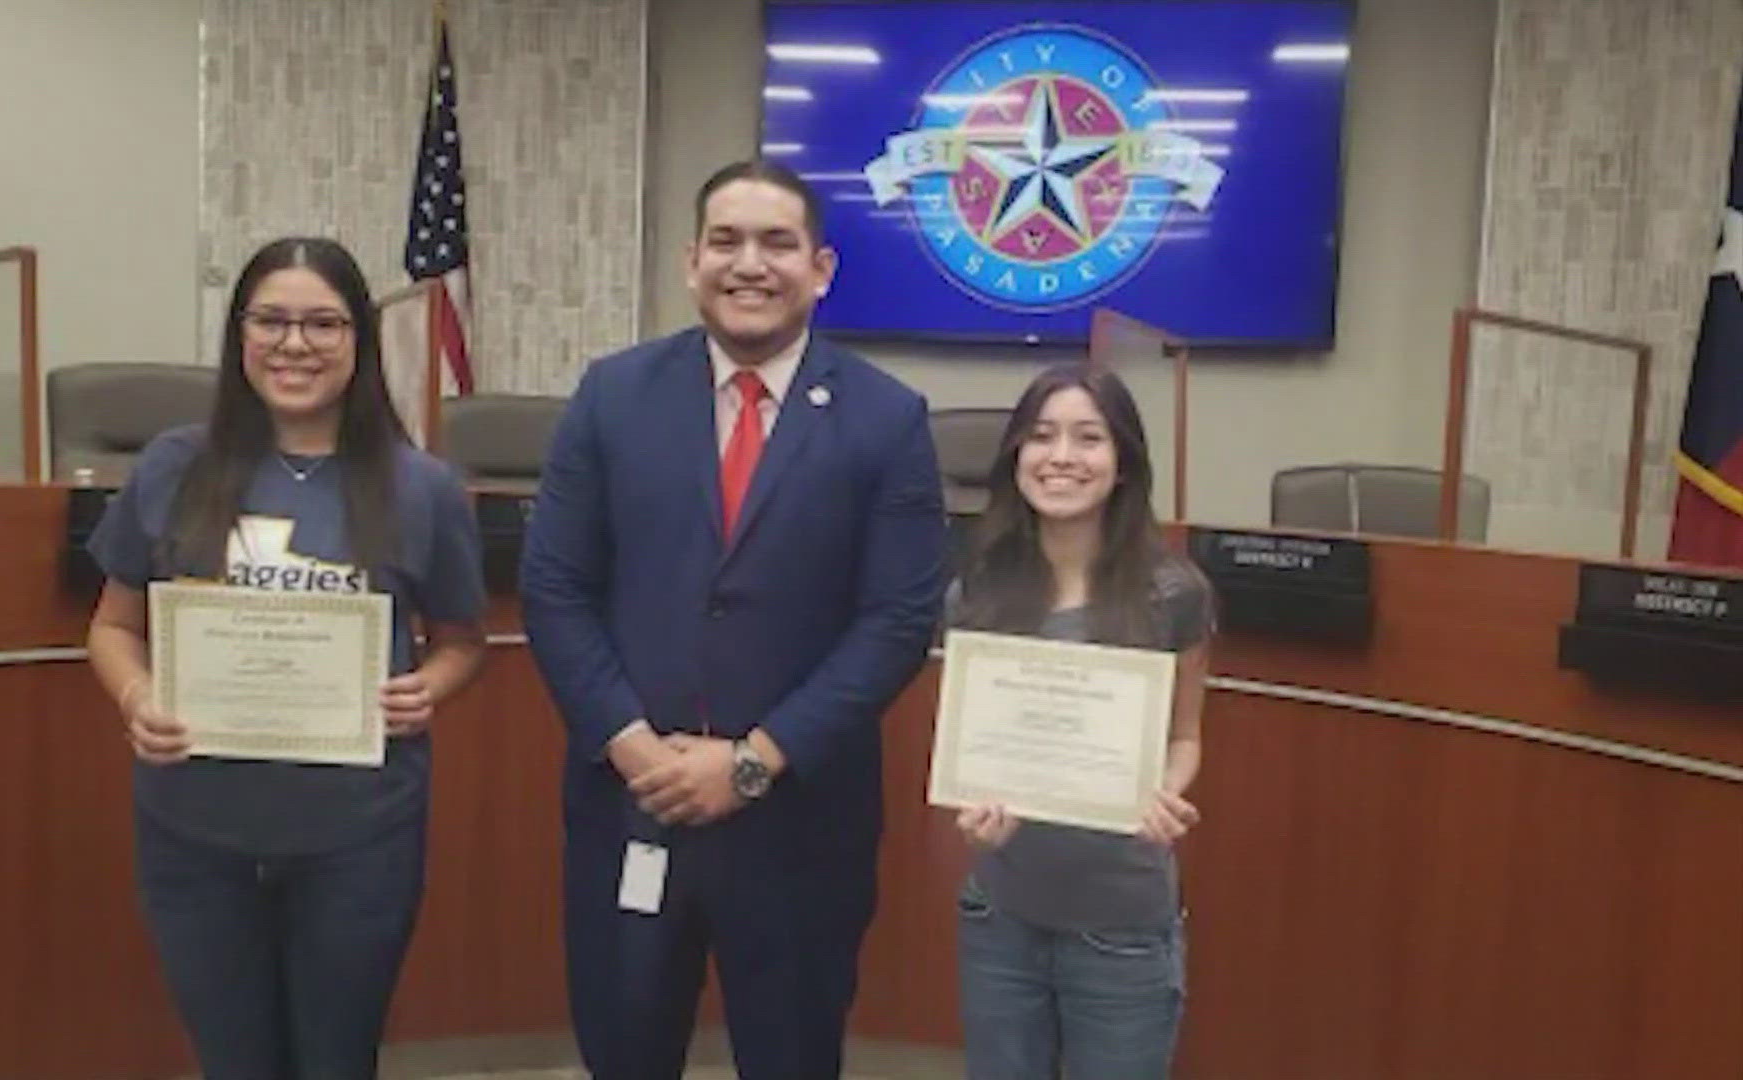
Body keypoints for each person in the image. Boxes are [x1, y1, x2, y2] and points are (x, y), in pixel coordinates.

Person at [519, 159, 947, 1079]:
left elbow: (899, 619)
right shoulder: (612, 395)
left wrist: (755, 761)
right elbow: (554, 586)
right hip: (632, 803)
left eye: (777, 243)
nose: (749, 263)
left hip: (799, 826)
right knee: (624, 1053)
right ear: (691, 261)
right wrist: (634, 747)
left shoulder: (887, 418)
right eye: (726, 240)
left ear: (821, 269)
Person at [83, 236, 487, 1080]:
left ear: (359, 341)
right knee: (234, 1064)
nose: (294, 344)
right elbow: (113, 628)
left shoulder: (422, 487)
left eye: (322, 323)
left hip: (358, 840)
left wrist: (429, 689)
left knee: (337, 1062)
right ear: (240, 335)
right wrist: (136, 699)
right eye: (270, 320)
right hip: (196, 836)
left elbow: (461, 643)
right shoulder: (173, 466)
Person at [949, 363, 1212, 1080]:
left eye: (1088, 438)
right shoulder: (976, 590)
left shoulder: (1172, 594)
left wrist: (1159, 790)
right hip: (1000, 914)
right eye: (1041, 437)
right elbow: (974, 749)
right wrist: (977, 808)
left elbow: (1185, 737)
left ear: (1122, 463)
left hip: (1122, 927)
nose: (1062, 456)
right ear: (1015, 458)